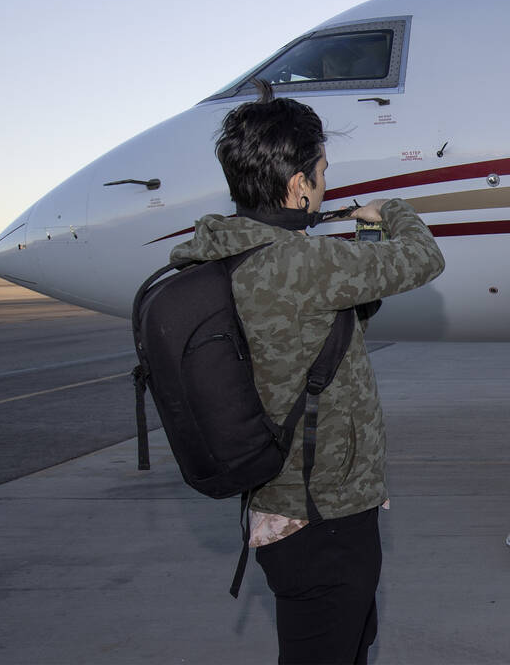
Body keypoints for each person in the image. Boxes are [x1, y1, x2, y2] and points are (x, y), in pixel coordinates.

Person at [171, 81, 445, 663]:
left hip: (279, 500)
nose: (327, 181)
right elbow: (424, 258)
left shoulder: (226, 252)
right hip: (327, 513)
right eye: (322, 169)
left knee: (336, 645)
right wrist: (390, 211)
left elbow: (342, 321)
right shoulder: (304, 261)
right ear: (300, 184)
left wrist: (361, 239)